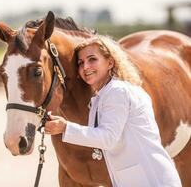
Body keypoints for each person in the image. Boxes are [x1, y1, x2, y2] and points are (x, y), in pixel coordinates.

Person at [44, 36, 182, 187]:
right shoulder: (101, 97)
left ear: (110, 62)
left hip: (152, 180)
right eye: (80, 62)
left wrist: (65, 127)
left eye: (92, 59)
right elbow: (96, 138)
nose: (85, 67)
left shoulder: (118, 92)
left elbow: (107, 138)